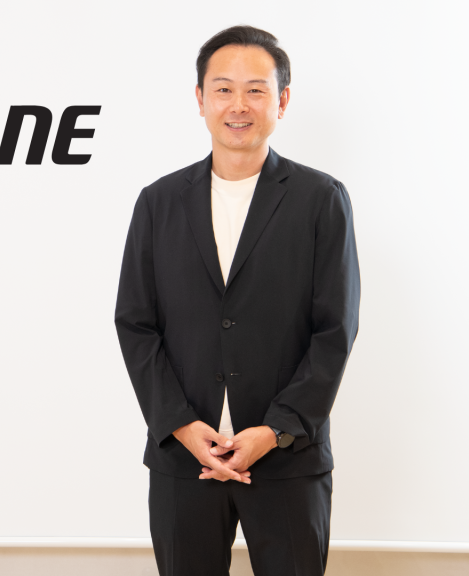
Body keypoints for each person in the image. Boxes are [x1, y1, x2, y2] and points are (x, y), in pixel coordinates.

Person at [114, 25, 361, 576]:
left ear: (282, 100)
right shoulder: (158, 202)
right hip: (184, 460)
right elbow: (135, 324)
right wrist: (181, 425)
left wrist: (274, 430)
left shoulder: (321, 200)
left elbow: (335, 330)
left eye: (256, 90)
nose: (238, 105)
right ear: (200, 99)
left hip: (288, 457)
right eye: (223, 89)